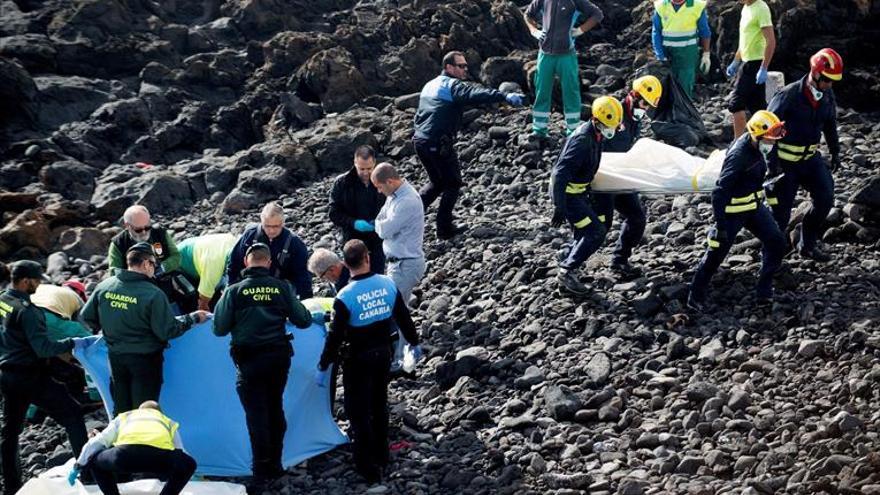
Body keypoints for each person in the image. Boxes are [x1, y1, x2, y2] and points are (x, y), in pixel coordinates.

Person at [314, 240, 422, 484]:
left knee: (358, 412)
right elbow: (403, 317)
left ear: (344, 263)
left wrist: (323, 365)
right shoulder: (387, 284)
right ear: (367, 258)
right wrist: (414, 344)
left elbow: (335, 336)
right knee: (379, 403)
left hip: (357, 359)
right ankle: (382, 455)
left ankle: (366, 465)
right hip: (383, 353)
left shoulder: (345, 296)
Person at [213, 243, 313, 489]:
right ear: (268, 262)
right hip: (278, 357)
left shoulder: (234, 292)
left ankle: (260, 470)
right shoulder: (281, 288)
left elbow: (218, 328)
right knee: (275, 407)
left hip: (249, 361)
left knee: (256, 415)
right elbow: (303, 320)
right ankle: (276, 465)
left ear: (247, 262)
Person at [81, 243, 209, 415]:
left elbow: (87, 316)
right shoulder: (153, 294)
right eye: (154, 264)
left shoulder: (105, 286)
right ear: (146, 264)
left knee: (122, 411)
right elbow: (167, 330)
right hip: (145, 361)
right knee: (144, 413)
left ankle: (122, 441)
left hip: (116, 359)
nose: (154, 269)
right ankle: (141, 442)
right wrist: (193, 318)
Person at [0, 261, 89, 495]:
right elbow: (43, 348)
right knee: (73, 415)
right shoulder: (28, 311)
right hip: (30, 376)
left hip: (6, 375)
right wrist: (73, 343)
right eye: (37, 280)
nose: (39, 285)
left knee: (10, 432)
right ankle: (87, 474)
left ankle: (11, 487)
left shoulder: (2, 301)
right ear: (25, 280)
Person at [413, 51, 524, 239]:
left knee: (437, 182)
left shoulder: (430, 85)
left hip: (420, 141)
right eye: (461, 66)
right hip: (437, 142)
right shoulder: (451, 85)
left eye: (466, 66)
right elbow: (474, 93)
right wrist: (504, 96)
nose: (465, 69)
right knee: (453, 183)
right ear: (448, 67)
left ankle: (407, 219)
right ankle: (444, 229)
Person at [687, 111, 787, 312]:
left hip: (754, 207)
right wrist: (721, 226)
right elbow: (719, 192)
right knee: (715, 255)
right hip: (732, 213)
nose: (772, 143)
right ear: (757, 135)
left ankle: (764, 292)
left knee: (776, 241)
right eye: (769, 139)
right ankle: (694, 297)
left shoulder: (761, 147)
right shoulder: (738, 156)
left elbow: (769, 174)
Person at [766, 48, 843, 262]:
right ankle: (772, 260)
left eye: (832, 81)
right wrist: (771, 165)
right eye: (827, 79)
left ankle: (807, 244)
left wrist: (835, 152)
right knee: (779, 215)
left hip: (810, 160)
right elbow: (767, 129)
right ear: (816, 73)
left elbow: (830, 125)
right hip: (785, 164)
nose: (829, 84)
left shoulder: (827, 95)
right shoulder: (788, 95)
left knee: (825, 198)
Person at [550, 95, 623, 295]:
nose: (612, 130)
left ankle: (567, 258)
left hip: (578, 193)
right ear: (596, 120)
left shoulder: (596, 134)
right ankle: (567, 271)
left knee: (586, 231)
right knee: (595, 232)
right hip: (568, 196)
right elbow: (560, 173)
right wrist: (560, 206)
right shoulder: (582, 141)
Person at [593, 76, 663, 278]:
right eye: (644, 104)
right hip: (603, 178)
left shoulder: (634, 119)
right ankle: (569, 260)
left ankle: (619, 260)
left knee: (637, 218)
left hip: (620, 176)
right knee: (600, 226)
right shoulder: (613, 112)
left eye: (649, 106)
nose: (645, 109)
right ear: (634, 95)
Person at [67, 401, 197, 495]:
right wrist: (190, 471)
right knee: (189, 463)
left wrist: (78, 466)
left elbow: (98, 441)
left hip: (124, 457)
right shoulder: (167, 421)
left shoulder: (125, 416)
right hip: (159, 459)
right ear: (159, 412)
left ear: (139, 410)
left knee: (94, 460)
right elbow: (180, 451)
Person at [525, 0, 604, 136]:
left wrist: (580, 30)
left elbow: (597, 14)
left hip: (566, 55)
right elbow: (527, 14)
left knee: (570, 91)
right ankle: (539, 129)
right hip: (545, 55)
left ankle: (573, 130)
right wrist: (534, 31)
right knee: (541, 90)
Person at [226, 202, 313, 299]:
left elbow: (303, 276)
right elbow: (233, 264)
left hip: (279, 290)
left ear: (283, 223)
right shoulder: (249, 236)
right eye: (267, 226)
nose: (271, 231)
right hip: (250, 287)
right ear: (261, 222)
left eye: (276, 226)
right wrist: (230, 292)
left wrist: (306, 302)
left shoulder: (295, 243)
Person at [372, 163, 426, 305]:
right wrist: (381, 225)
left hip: (405, 265)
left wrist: (380, 226)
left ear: (389, 181)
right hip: (397, 263)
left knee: (394, 308)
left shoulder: (406, 201)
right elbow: (379, 219)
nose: (378, 191)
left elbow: (384, 231)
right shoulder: (393, 195)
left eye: (379, 186)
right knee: (395, 307)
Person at [329, 145, 386, 280]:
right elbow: (333, 213)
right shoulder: (342, 183)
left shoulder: (383, 180)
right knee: (351, 279)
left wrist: (380, 221)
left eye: (369, 168)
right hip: (351, 239)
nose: (366, 173)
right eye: (361, 169)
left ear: (374, 163)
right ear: (355, 163)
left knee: (376, 277)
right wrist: (353, 223)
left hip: (377, 238)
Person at [725, 0, 776, 138]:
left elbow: (770, 41)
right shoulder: (746, 8)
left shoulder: (761, 8)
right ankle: (769, 140)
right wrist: (736, 61)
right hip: (746, 61)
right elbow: (745, 40)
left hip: (755, 63)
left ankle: (737, 142)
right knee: (757, 106)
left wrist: (764, 67)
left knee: (736, 103)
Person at [652, 0, 711, 98]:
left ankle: (684, 111)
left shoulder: (697, 6)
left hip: (687, 55)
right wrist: (660, 56)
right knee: (665, 89)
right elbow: (656, 32)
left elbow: (704, 32)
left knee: (685, 89)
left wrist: (706, 54)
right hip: (667, 55)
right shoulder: (661, 6)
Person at [108, 205, 181, 275]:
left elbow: (176, 256)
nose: (144, 232)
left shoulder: (160, 233)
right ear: (127, 226)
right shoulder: (118, 244)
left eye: (147, 227)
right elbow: (114, 272)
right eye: (138, 229)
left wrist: (163, 267)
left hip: (164, 278)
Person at [178, 233, 238, 310]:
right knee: (196, 297)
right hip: (183, 258)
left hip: (199, 247)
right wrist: (205, 309)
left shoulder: (237, 244)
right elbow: (203, 297)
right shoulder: (214, 268)